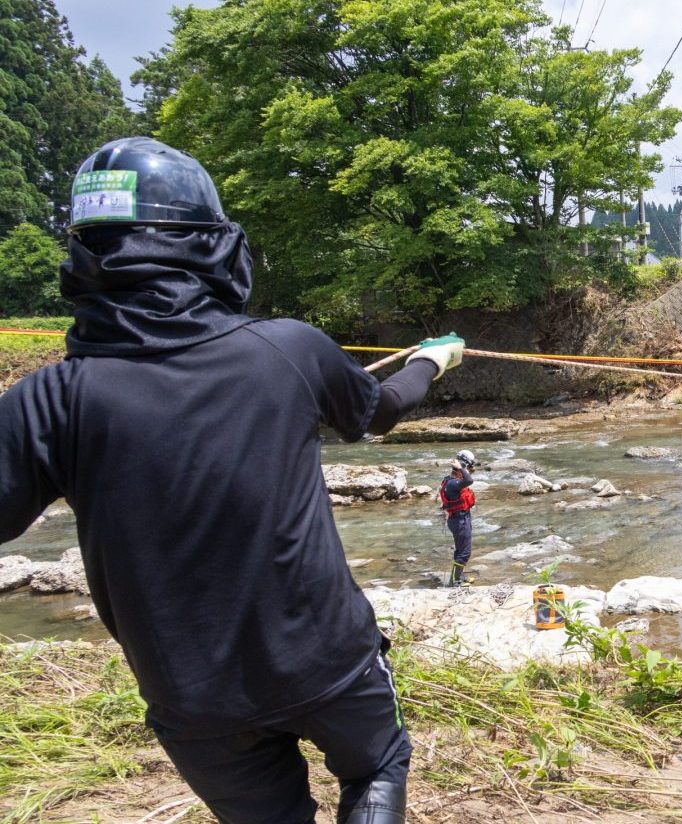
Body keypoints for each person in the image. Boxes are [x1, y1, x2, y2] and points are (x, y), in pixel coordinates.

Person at [0, 137, 467, 823]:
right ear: (212, 246)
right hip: (329, 663)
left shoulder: (49, 399)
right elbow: (380, 411)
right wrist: (433, 360)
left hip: (192, 700)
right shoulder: (287, 349)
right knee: (376, 765)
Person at [440, 449, 478, 586]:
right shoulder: (452, 484)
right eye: (467, 467)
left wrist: (463, 468)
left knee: (460, 550)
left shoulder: (453, 480)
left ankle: (458, 578)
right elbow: (469, 480)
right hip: (459, 521)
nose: (468, 470)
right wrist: (462, 468)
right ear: (461, 467)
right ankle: (455, 581)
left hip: (459, 519)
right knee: (465, 552)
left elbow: (467, 477)